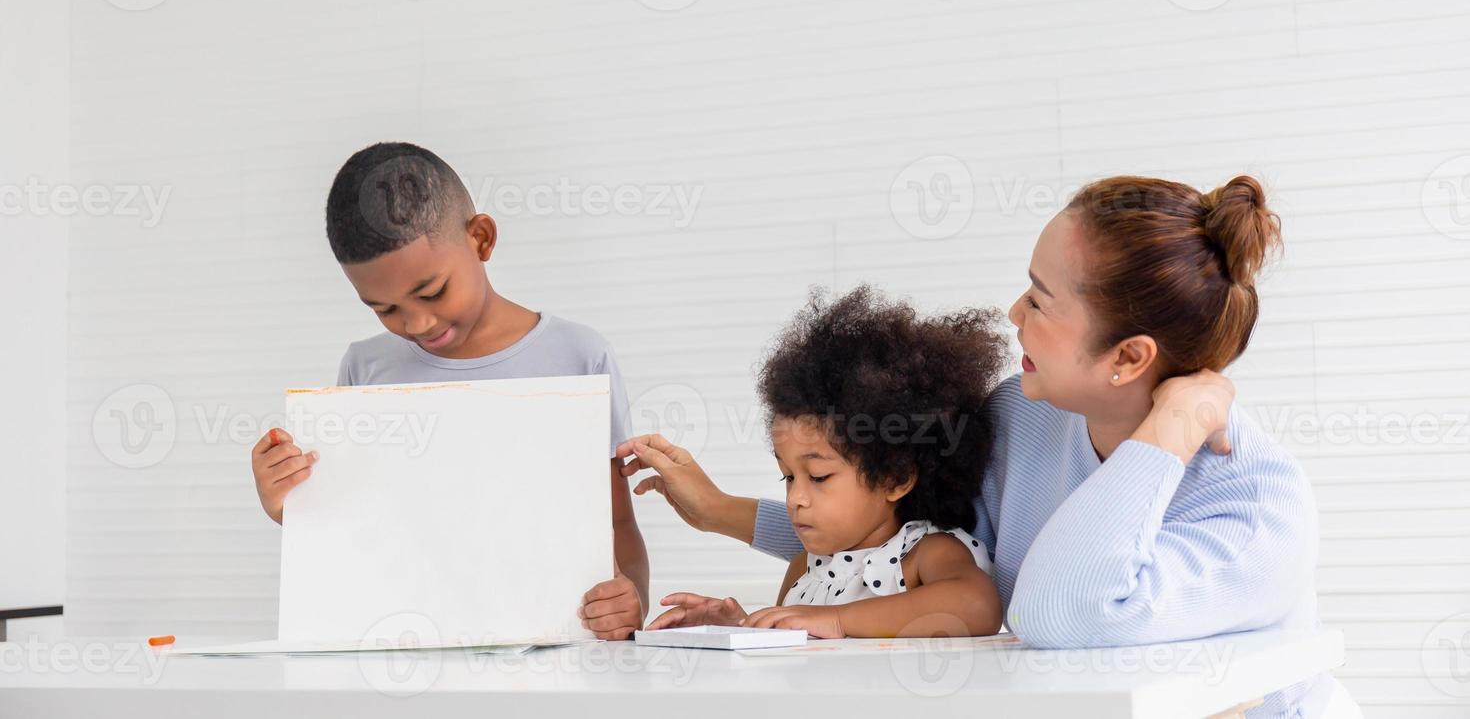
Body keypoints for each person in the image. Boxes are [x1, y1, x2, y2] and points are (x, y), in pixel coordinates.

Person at [621, 175, 1352, 717]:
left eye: (1039, 300)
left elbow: (1060, 611)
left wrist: (1177, 424)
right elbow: (892, 534)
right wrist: (725, 527)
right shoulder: (1026, 415)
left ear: (1128, 359)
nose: (1012, 315)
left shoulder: (1256, 505)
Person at [249, 142, 648, 639]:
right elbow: (360, 533)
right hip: (407, 654)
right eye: (383, 309)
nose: (417, 322)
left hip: (551, 660)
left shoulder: (579, 357)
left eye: (432, 292)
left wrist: (631, 603)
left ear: (480, 239)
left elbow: (618, 526)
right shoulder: (365, 368)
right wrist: (291, 508)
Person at [647, 286, 1007, 637]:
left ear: (894, 479)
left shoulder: (924, 554)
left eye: (818, 476)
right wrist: (744, 628)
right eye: (787, 477)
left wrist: (837, 620)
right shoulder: (804, 568)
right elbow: (799, 649)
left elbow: (977, 606)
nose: (795, 499)